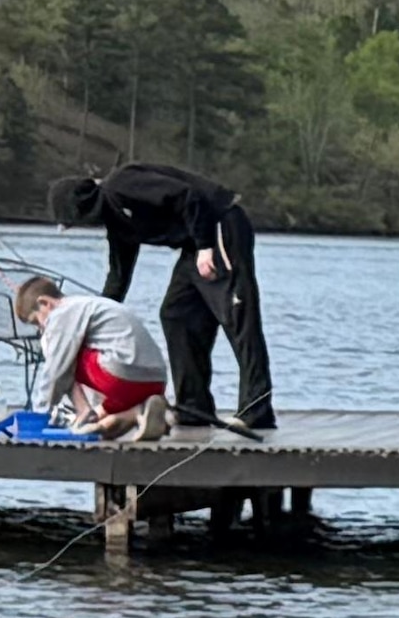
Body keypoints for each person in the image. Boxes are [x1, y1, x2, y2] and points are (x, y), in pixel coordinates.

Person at [59, 163, 274, 434]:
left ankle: (257, 410)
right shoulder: (117, 221)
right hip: (195, 243)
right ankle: (193, 407)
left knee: (238, 319)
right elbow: (118, 277)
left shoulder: (123, 184)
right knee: (176, 314)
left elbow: (189, 196)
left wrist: (206, 248)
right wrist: (95, 319)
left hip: (219, 226)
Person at [16, 273, 177, 441]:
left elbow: (55, 371)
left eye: (37, 322)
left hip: (122, 378)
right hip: (155, 381)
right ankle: (136, 413)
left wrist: (40, 413)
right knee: (104, 432)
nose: (41, 328)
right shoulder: (87, 304)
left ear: (45, 303)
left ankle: (86, 414)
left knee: (55, 349)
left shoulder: (62, 314)